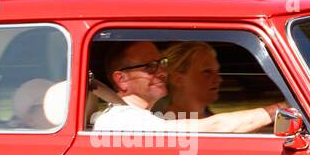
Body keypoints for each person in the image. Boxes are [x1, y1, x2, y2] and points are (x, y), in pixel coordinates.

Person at [91, 40, 283, 132]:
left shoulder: (137, 116)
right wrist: (276, 110)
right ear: (122, 79)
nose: (162, 72)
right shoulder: (123, 120)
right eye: (150, 66)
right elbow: (212, 127)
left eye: (162, 63)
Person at [153, 41, 220, 118]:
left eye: (217, 71)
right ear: (178, 80)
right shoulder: (162, 125)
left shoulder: (215, 121)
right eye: (207, 72)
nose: (218, 79)